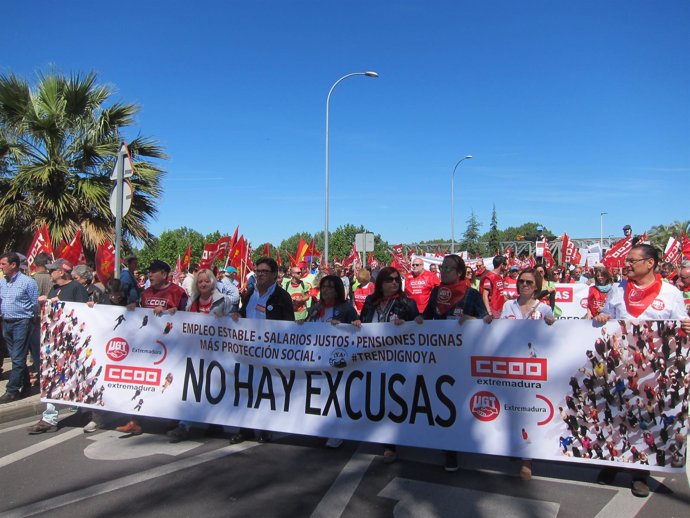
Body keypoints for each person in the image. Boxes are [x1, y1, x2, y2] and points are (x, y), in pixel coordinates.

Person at [594, 244, 690, 498]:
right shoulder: (618, 289)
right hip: (619, 368)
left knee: (643, 421)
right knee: (614, 417)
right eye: (626, 260)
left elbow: (680, 325)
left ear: (650, 263)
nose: (626, 265)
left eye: (632, 261)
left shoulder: (670, 294)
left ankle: (640, 473)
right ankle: (610, 464)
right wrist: (602, 316)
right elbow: (607, 314)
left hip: (650, 373)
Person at [422, 254, 490, 472]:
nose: (443, 271)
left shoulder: (471, 295)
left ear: (460, 272)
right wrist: (417, 321)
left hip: (463, 357)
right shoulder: (436, 293)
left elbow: (486, 321)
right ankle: (448, 446)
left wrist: (475, 321)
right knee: (443, 400)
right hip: (439, 356)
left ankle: (457, 446)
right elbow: (427, 317)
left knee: (458, 401)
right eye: (442, 267)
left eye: (448, 268)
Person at [116, 259, 188, 435]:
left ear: (164, 274)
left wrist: (171, 311)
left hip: (171, 347)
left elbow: (188, 317)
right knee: (141, 380)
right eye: (149, 271)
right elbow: (142, 315)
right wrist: (134, 308)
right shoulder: (146, 293)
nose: (150, 275)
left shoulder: (178, 292)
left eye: (154, 271)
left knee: (170, 382)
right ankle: (135, 420)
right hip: (148, 347)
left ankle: (174, 419)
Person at [165, 269, 237, 442]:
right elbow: (185, 321)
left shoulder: (223, 300)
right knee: (193, 388)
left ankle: (215, 422)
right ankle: (184, 425)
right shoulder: (192, 302)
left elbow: (236, 323)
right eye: (200, 281)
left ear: (212, 282)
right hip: (196, 352)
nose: (203, 284)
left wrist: (229, 316)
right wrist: (175, 313)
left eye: (206, 281)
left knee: (215, 389)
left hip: (218, 352)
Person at [357, 266, 419, 463]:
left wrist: (410, 323)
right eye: (389, 280)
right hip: (373, 357)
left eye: (397, 280)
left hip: (397, 359)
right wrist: (357, 324)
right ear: (380, 283)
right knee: (377, 396)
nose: (394, 283)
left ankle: (390, 442)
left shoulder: (407, 303)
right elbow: (364, 322)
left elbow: (419, 326)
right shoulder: (370, 301)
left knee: (394, 397)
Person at [230, 257, 294, 444]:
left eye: (264, 271)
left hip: (270, 351)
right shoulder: (250, 294)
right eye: (258, 271)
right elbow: (245, 315)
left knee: (266, 391)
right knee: (246, 388)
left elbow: (288, 325)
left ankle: (266, 428)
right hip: (248, 351)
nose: (260, 274)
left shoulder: (282, 297)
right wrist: (237, 315)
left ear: (274, 275)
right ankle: (245, 429)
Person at [500, 267, 555, 480]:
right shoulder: (508, 305)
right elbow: (500, 330)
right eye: (521, 281)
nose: (523, 284)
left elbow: (553, 337)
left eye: (529, 282)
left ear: (536, 287)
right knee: (512, 410)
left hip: (534, 367)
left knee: (529, 412)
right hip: (511, 365)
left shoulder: (545, 309)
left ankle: (527, 460)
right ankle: (516, 447)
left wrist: (552, 325)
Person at [26, 258, 90, 433]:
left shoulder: (77, 289)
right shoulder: (54, 289)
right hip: (55, 345)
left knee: (79, 378)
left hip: (74, 344)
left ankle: (87, 410)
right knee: (51, 378)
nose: (49, 273)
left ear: (61, 272)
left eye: (51, 270)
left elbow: (84, 314)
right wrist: (45, 305)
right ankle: (49, 418)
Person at [306, 275, 358, 449]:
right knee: (319, 396)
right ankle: (321, 428)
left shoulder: (346, 308)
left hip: (338, 359)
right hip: (317, 359)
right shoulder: (315, 308)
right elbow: (308, 327)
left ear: (337, 290)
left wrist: (345, 325)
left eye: (330, 287)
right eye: (324, 287)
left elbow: (357, 330)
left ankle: (337, 432)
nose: (326, 290)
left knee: (336, 397)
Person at [0, 252, 39, 404]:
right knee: (16, 357)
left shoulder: (27, 282)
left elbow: (34, 304)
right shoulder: (3, 282)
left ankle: (12, 390)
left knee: (17, 357)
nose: (1, 267)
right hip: (6, 322)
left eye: (3, 264)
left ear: (13, 265)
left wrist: (32, 318)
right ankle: (27, 385)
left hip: (22, 322)